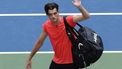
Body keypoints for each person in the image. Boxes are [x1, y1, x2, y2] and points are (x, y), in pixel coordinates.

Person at [26, 0, 90, 69]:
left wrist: (79, 6)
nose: (53, 16)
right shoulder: (46, 26)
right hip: (57, 62)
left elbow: (86, 16)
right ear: (47, 15)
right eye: (50, 14)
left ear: (58, 12)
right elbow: (39, 42)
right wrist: (30, 58)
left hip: (72, 63)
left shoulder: (68, 21)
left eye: (55, 13)